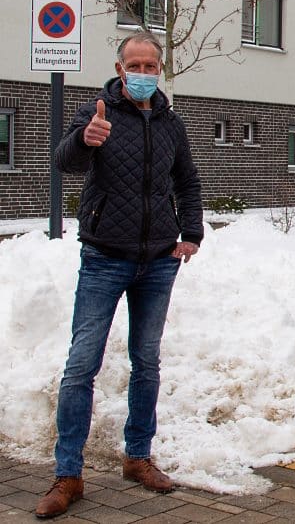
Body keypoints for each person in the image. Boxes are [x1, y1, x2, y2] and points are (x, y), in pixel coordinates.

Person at [36, 32, 203, 519]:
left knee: (146, 362)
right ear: (119, 66)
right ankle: (67, 475)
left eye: (153, 66)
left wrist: (190, 232)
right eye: (137, 65)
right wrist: (86, 140)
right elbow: (63, 161)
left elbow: (187, 180)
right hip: (105, 258)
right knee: (81, 365)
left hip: (157, 261)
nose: (145, 73)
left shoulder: (171, 123)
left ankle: (138, 457)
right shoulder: (96, 112)